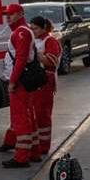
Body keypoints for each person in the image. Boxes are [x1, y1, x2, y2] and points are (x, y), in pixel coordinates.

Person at [0, 3, 38, 168]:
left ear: (20, 14)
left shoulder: (21, 32)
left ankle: (21, 157)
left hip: (20, 82)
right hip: (23, 81)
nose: (8, 17)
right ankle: (32, 152)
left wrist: (12, 81)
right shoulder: (22, 31)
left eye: (11, 14)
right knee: (26, 117)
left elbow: (20, 59)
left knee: (21, 119)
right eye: (6, 14)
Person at [30, 16, 61, 157]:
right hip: (34, 82)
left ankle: (43, 145)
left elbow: (51, 61)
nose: (33, 31)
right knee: (33, 114)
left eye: (35, 28)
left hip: (45, 82)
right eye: (31, 28)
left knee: (43, 114)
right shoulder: (34, 40)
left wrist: (35, 54)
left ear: (43, 27)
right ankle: (35, 144)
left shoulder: (51, 41)